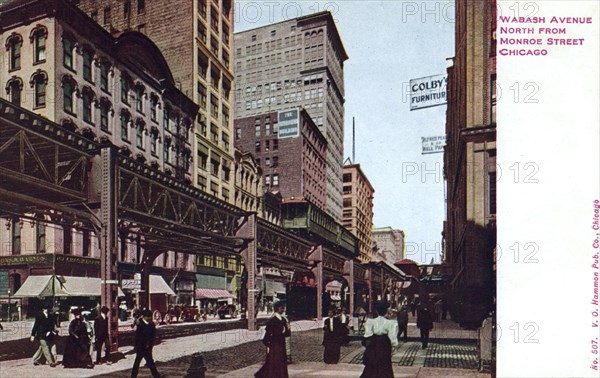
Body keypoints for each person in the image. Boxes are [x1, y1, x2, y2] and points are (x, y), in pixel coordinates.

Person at [360, 301, 398, 378]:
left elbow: (367, 334)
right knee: (385, 363)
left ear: (377, 311)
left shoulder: (371, 322)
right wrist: (394, 345)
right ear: (386, 311)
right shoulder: (390, 323)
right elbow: (392, 336)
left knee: (373, 362)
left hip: (374, 343)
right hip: (384, 343)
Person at [255, 300, 291, 378]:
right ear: (277, 309)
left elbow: (287, 334)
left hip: (281, 344)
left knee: (281, 362)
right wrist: (270, 345)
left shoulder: (284, 319)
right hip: (275, 346)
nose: (283, 310)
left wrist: (287, 328)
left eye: (284, 308)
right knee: (274, 363)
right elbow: (266, 337)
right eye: (282, 308)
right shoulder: (272, 320)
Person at [131, 309, 160, 378]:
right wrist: (137, 346)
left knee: (151, 364)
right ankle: (133, 376)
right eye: (148, 316)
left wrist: (150, 345)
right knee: (137, 363)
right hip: (140, 347)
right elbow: (137, 337)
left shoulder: (152, 324)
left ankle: (156, 376)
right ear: (144, 317)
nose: (149, 318)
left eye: (150, 316)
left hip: (147, 348)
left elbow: (153, 336)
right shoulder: (139, 324)